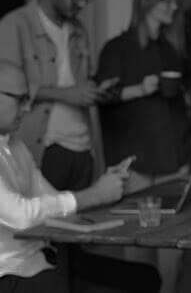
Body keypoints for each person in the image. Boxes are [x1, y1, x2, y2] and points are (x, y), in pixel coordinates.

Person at [0, 59, 161, 293]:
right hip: (12, 274)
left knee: (146, 278)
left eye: (28, 99)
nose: (27, 108)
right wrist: (94, 195)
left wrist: (105, 188)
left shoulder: (16, 145)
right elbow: (21, 216)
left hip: (44, 259)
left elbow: (52, 199)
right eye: (20, 99)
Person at [95, 0, 187, 293]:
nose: (174, 6)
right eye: (167, 0)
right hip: (134, 161)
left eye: (175, 1)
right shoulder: (116, 49)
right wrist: (139, 89)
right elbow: (101, 97)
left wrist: (184, 157)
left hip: (170, 160)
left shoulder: (170, 50)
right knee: (138, 247)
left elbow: (178, 111)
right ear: (146, 2)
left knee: (173, 246)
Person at [0, 0, 110, 192]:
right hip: (45, 146)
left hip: (84, 146)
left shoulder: (79, 30)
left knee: (86, 212)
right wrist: (67, 94)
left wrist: (96, 90)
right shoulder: (15, 24)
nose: (81, 4)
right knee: (47, 213)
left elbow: (81, 81)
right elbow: (6, 89)